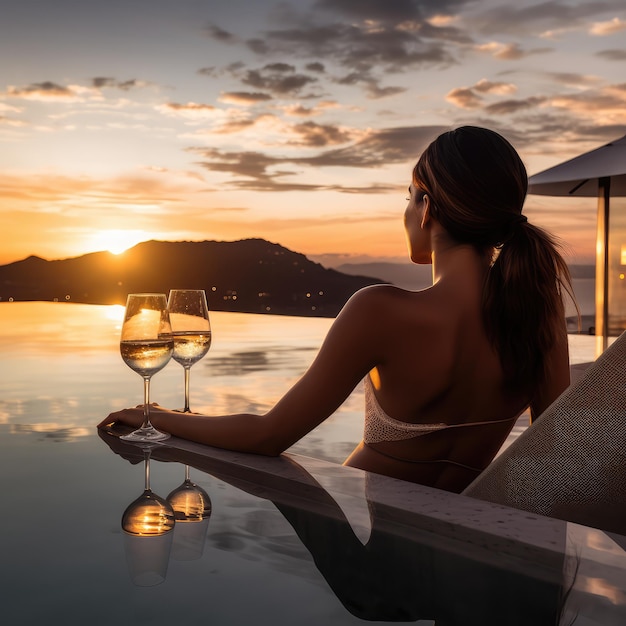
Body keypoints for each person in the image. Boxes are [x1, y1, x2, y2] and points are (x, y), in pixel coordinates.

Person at [100, 126, 573, 493]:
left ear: (427, 207)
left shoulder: (381, 311)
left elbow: (267, 435)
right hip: (456, 559)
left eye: (408, 197)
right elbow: (554, 454)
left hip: (362, 552)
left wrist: (152, 415)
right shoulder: (539, 311)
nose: (405, 212)